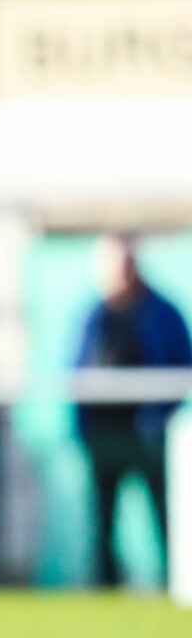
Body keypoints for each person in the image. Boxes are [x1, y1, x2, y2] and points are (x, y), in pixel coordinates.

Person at [74, 233, 192, 587]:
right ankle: (104, 586)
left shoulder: (163, 312)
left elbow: (180, 366)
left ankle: (170, 583)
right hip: (104, 433)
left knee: (163, 515)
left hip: (149, 434)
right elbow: (76, 371)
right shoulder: (93, 315)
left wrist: (160, 416)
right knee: (102, 519)